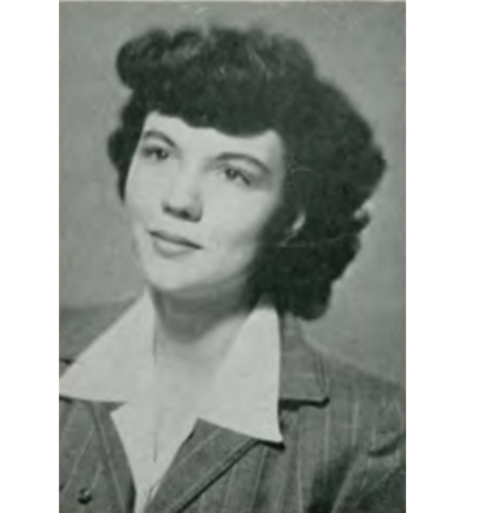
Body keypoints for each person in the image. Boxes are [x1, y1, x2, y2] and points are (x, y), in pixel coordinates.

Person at [60, 25, 405, 513]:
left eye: (234, 173)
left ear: (293, 216)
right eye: (159, 151)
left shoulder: (378, 434)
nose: (178, 199)